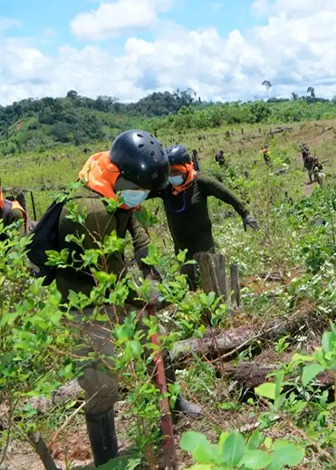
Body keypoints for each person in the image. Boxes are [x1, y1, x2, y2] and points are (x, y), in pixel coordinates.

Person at [58, 130, 201, 467]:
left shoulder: (118, 186)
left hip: (112, 276)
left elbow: (133, 224)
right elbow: (110, 274)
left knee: (154, 343)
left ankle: (173, 401)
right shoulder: (90, 208)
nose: (142, 198)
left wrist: (147, 261)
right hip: (84, 296)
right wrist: (145, 295)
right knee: (101, 380)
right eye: (140, 192)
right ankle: (108, 459)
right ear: (121, 177)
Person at [151, 144, 258, 288]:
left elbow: (226, 194)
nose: (173, 176)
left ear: (187, 167)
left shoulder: (200, 183)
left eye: (177, 171)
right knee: (190, 287)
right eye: (169, 172)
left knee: (211, 286)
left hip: (204, 248)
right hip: (182, 252)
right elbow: (142, 191)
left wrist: (245, 214)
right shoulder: (165, 189)